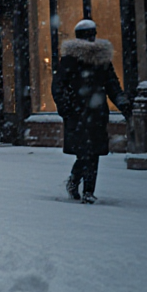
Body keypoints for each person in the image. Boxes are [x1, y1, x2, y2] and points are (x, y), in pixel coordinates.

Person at [55, 19, 127, 204]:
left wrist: (123, 104)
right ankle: (79, 184)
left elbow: (112, 85)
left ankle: (85, 189)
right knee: (86, 152)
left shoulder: (100, 59)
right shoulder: (71, 59)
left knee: (91, 152)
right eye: (89, 35)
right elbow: (59, 86)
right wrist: (66, 107)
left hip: (94, 112)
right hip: (78, 113)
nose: (91, 38)